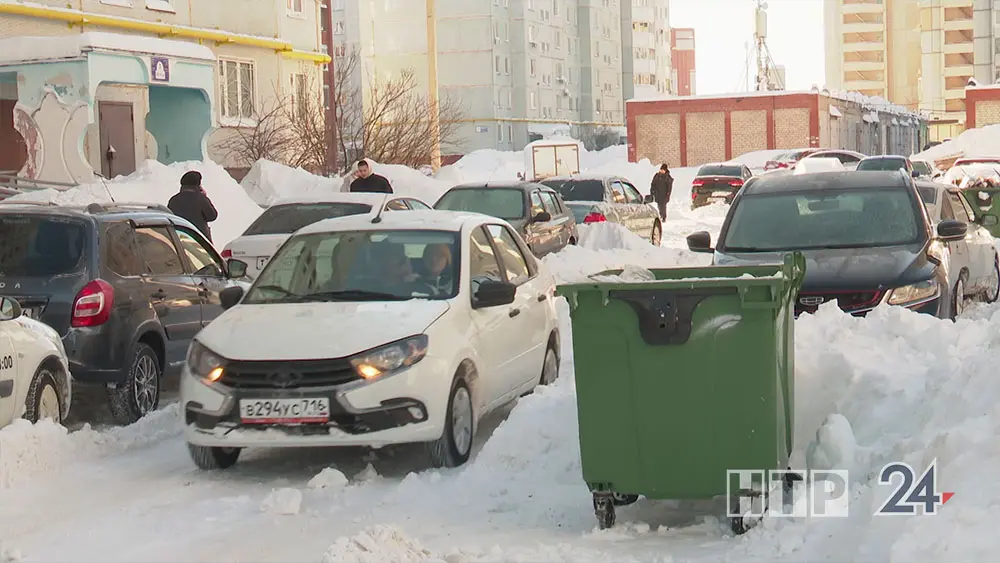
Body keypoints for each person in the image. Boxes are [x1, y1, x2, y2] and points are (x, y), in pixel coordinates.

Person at [167, 170, 218, 242]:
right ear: (198, 185)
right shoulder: (201, 198)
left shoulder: (173, 200)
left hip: (179, 239)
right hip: (199, 241)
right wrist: (205, 197)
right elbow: (212, 216)